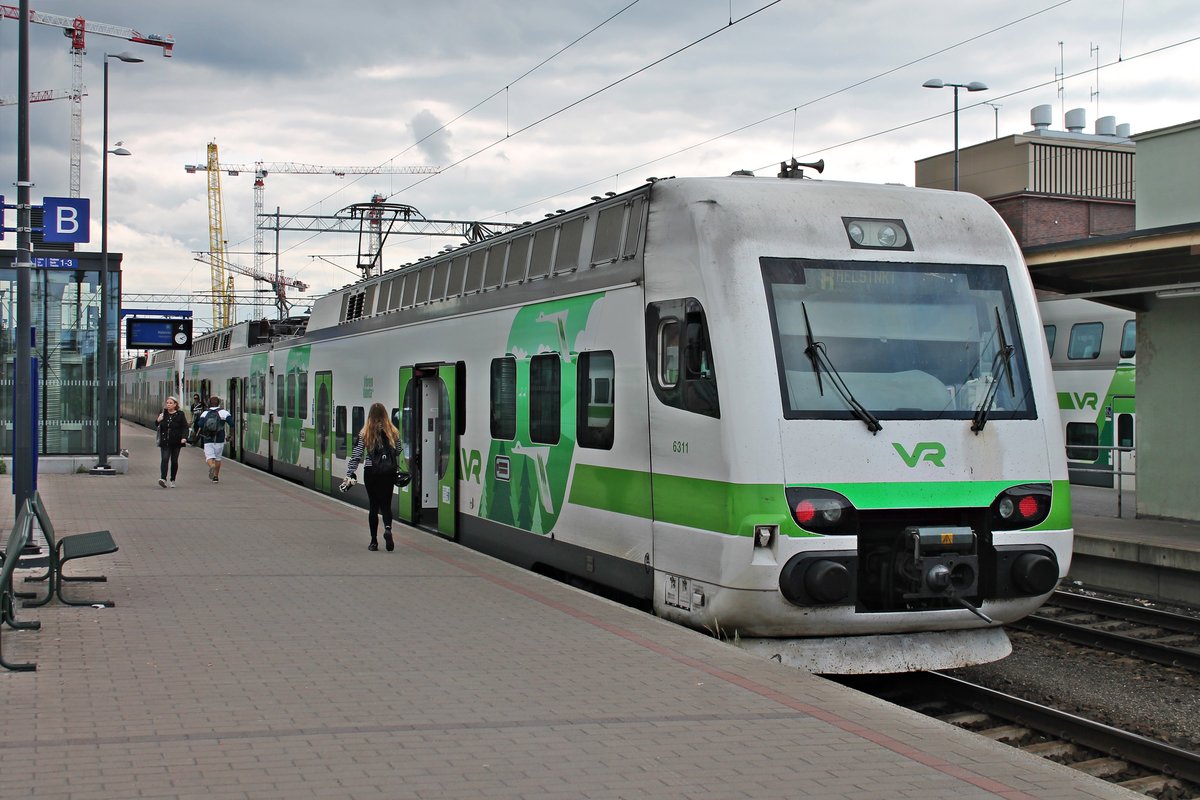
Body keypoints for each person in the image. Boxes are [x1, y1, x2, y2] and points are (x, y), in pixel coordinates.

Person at [341, 402, 400, 551]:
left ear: (370, 415)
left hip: (371, 471)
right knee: (386, 504)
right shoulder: (393, 431)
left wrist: (350, 473)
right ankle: (388, 529)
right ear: (385, 414)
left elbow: (357, 455)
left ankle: (374, 541)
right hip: (388, 472)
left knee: (374, 506)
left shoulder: (365, 432)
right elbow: (398, 450)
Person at [193, 395, 234, 483]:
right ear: (219, 403)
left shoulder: (205, 413)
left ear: (209, 404)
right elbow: (232, 424)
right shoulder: (224, 412)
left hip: (208, 439)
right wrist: (231, 435)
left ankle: (211, 465)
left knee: (209, 457)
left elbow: (200, 424)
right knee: (218, 458)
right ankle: (216, 477)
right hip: (220, 439)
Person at [155, 396, 190, 488]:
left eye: (170, 403)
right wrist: (158, 420)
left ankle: (172, 479)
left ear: (175, 405)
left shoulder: (180, 414)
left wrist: (184, 437)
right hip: (165, 441)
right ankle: (163, 479)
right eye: (167, 403)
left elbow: (185, 427)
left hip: (176, 442)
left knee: (174, 461)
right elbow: (157, 424)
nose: (168, 405)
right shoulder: (163, 413)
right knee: (165, 459)